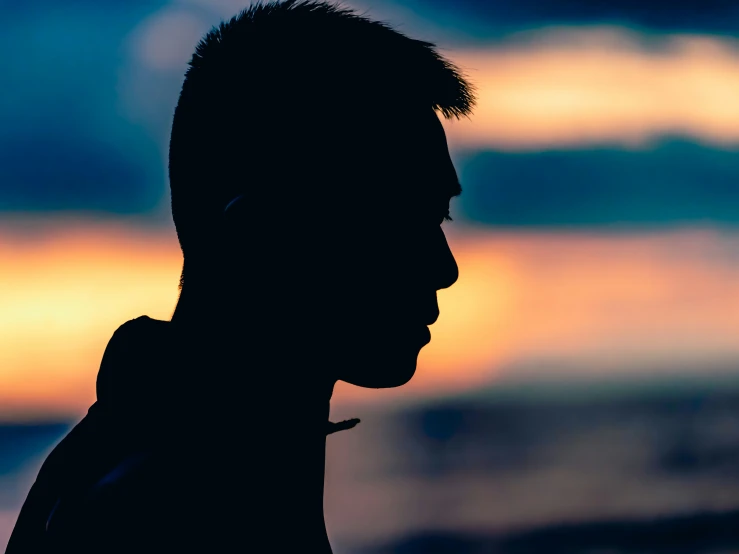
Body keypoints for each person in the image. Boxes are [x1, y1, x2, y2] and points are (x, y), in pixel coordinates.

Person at [6, 0, 475, 552]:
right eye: (397, 222)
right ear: (262, 235)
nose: (444, 269)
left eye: (438, 217)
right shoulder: (166, 512)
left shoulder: (165, 461)